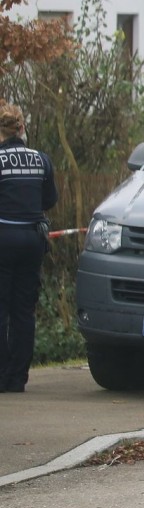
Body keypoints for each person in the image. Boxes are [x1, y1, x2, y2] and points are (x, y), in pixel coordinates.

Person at [0, 103, 58, 393]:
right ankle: (17, 379)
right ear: (21, 129)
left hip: (3, 237)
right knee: (24, 311)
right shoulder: (41, 160)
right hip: (33, 240)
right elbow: (49, 200)